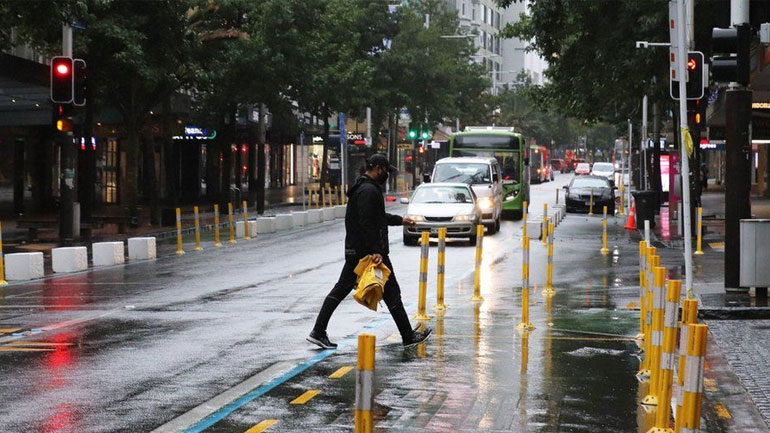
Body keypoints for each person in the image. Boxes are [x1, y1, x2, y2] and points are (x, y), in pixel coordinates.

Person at [307, 154, 432, 349]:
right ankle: (407, 336)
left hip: (358, 250)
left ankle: (318, 330)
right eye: (387, 171)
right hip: (367, 253)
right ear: (379, 169)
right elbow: (367, 223)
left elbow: (377, 217)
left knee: (344, 289)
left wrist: (400, 220)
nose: (387, 175)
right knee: (391, 291)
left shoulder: (364, 187)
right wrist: (376, 251)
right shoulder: (368, 191)